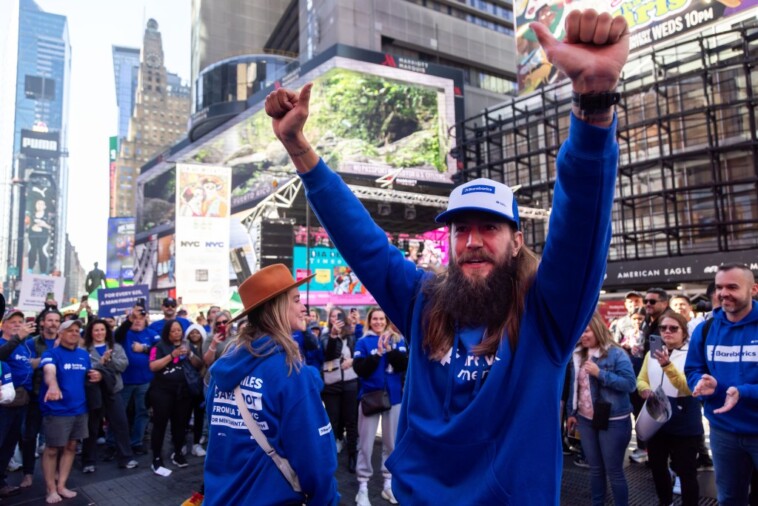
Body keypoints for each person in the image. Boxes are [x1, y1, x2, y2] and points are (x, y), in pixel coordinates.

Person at [265, 8, 628, 504]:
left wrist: (593, 105)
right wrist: (297, 145)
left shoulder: (547, 315)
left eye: (489, 227)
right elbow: (362, 240)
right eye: (461, 230)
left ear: (516, 239)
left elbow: (582, 224)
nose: (473, 240)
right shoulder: (424, 301)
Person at [204, 264, 339, 505]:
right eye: (296, 300)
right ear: (276, 308)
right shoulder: (289, 371)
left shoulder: (222, 369)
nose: (303, 307)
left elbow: (218, 443)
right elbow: (316, 459)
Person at [685, 263, 758, 505]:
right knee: (729, 499)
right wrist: (702, 382)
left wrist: (744, 392)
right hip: (723, 432)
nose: (723, 293)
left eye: (732, 287)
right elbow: (693, 369)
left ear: (753, 289)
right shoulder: (705, 329)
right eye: (719, 287)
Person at [566, 312, 636, 506]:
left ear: (597, 327)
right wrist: (571, 414)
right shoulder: (578, 353)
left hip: (613, 421)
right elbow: (575, 386)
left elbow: (630, 384)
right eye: (579, 331)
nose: (582, 335)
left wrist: (600, 374)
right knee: (595, 469)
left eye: (586, 330)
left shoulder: (616, 353)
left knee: (613, 470)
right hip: (586, 419)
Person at [637, 311, 702, 506]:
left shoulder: (692, 354)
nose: (667, 332)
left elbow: (689, 387)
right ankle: (664, 502)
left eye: (674, 328)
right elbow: (641, 378)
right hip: (657, 418)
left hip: (684, 418)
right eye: (663, 328)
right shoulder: (651, 353)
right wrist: (645, 389)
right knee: (657, 467)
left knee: (686, 471)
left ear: (684, 332)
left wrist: (667, 365)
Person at [39, 319, 102, 504]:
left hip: (80, 410)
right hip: (57, 410)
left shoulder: (84, 355)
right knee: (51, 450)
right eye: (70, 330)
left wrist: (97, 375)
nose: (74, 333)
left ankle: (61, 486)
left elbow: (89, 375)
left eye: (77, 330)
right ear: (60, 333)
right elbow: (49, 371)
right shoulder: (51, 353)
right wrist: (52, 385)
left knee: (71, 447)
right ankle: (50, 489)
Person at [352, 308, 408, 506]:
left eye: (381, 318)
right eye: (374, 318)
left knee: (391, 443)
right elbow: (360, 369)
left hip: (393, 399)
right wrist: (377, 354)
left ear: (386, 320)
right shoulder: (363, 341)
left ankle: (388, 484)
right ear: (369, 321)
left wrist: (389, 350)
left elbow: (403, 365)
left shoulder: (397, 339)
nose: (377, 322)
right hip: (370, 398)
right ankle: (363, 487)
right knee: (366, 444)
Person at [148, 320, 203, 475]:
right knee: (160, 425)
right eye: (173, 331)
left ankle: (177, 453)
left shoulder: (188, 345)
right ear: (167, 332)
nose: (177, 333)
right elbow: (153, 366)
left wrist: (191, 354)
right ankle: (157, 458)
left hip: (183, 392)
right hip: (162, 391)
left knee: (181, 424)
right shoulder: (159, 346)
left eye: (179, 330)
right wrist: (172, 355)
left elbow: (199, 365)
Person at [81, 319, 137, 472]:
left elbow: (123, 365)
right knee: (91, 427)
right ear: (90, 333)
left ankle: (126, 458)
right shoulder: (83, 350)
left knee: (120, 424)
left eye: (102, 330)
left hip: (113, 391)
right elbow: (85, 369)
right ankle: (88, 461)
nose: (99, 333)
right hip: (93, 393)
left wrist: (109, 360)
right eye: (96, 330)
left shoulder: (115, 347)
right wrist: (101, 362)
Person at [0, 309, 37, 498]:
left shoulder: (23, 346)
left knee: (9, 444)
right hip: (4, 403)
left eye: (20, 321)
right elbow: (1, 356)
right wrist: (18, 337)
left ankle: (1, 482)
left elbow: (23, 365)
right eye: (12, 321)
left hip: (21, 401)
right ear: (3, 324)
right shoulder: (4, 342)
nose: (17, 324)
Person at [113, 304, 158, 455]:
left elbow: (160, 351)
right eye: (135, 318)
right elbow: (117, 335)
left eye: (141, 317)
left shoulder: (151, 334)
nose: (138, 321)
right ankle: (113, 443)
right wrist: (128, 321)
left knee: (142, 412)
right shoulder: (124, 333)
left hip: (145, 381)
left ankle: (136, 442)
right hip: (125, 381)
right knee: (119, 414)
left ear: (146, 319)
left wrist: (144, 349)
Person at [321, 306, 359, 472]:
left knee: (351, 420)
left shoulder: (351, 337)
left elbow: (359, 354)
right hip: (331, 384)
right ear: (329, 319)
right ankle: (331, 451)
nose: (336, 319)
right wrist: (334, 336)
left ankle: (352, 455)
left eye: (339, 316)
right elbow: (329, 355)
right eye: (333, 316)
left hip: (350, 383)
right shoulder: (325, 336)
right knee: (332, 420)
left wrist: (352, 361)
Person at [184, 323, 208, 457]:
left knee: (199, 416)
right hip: (186, 386)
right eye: (192, 332)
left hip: (200, 385)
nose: (194, 335)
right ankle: (180, 444)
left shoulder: (205, 347)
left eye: (197, 332)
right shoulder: (183, 345)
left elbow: (201, 364)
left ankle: (196, 444)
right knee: (183, 416)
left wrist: (191, 354)